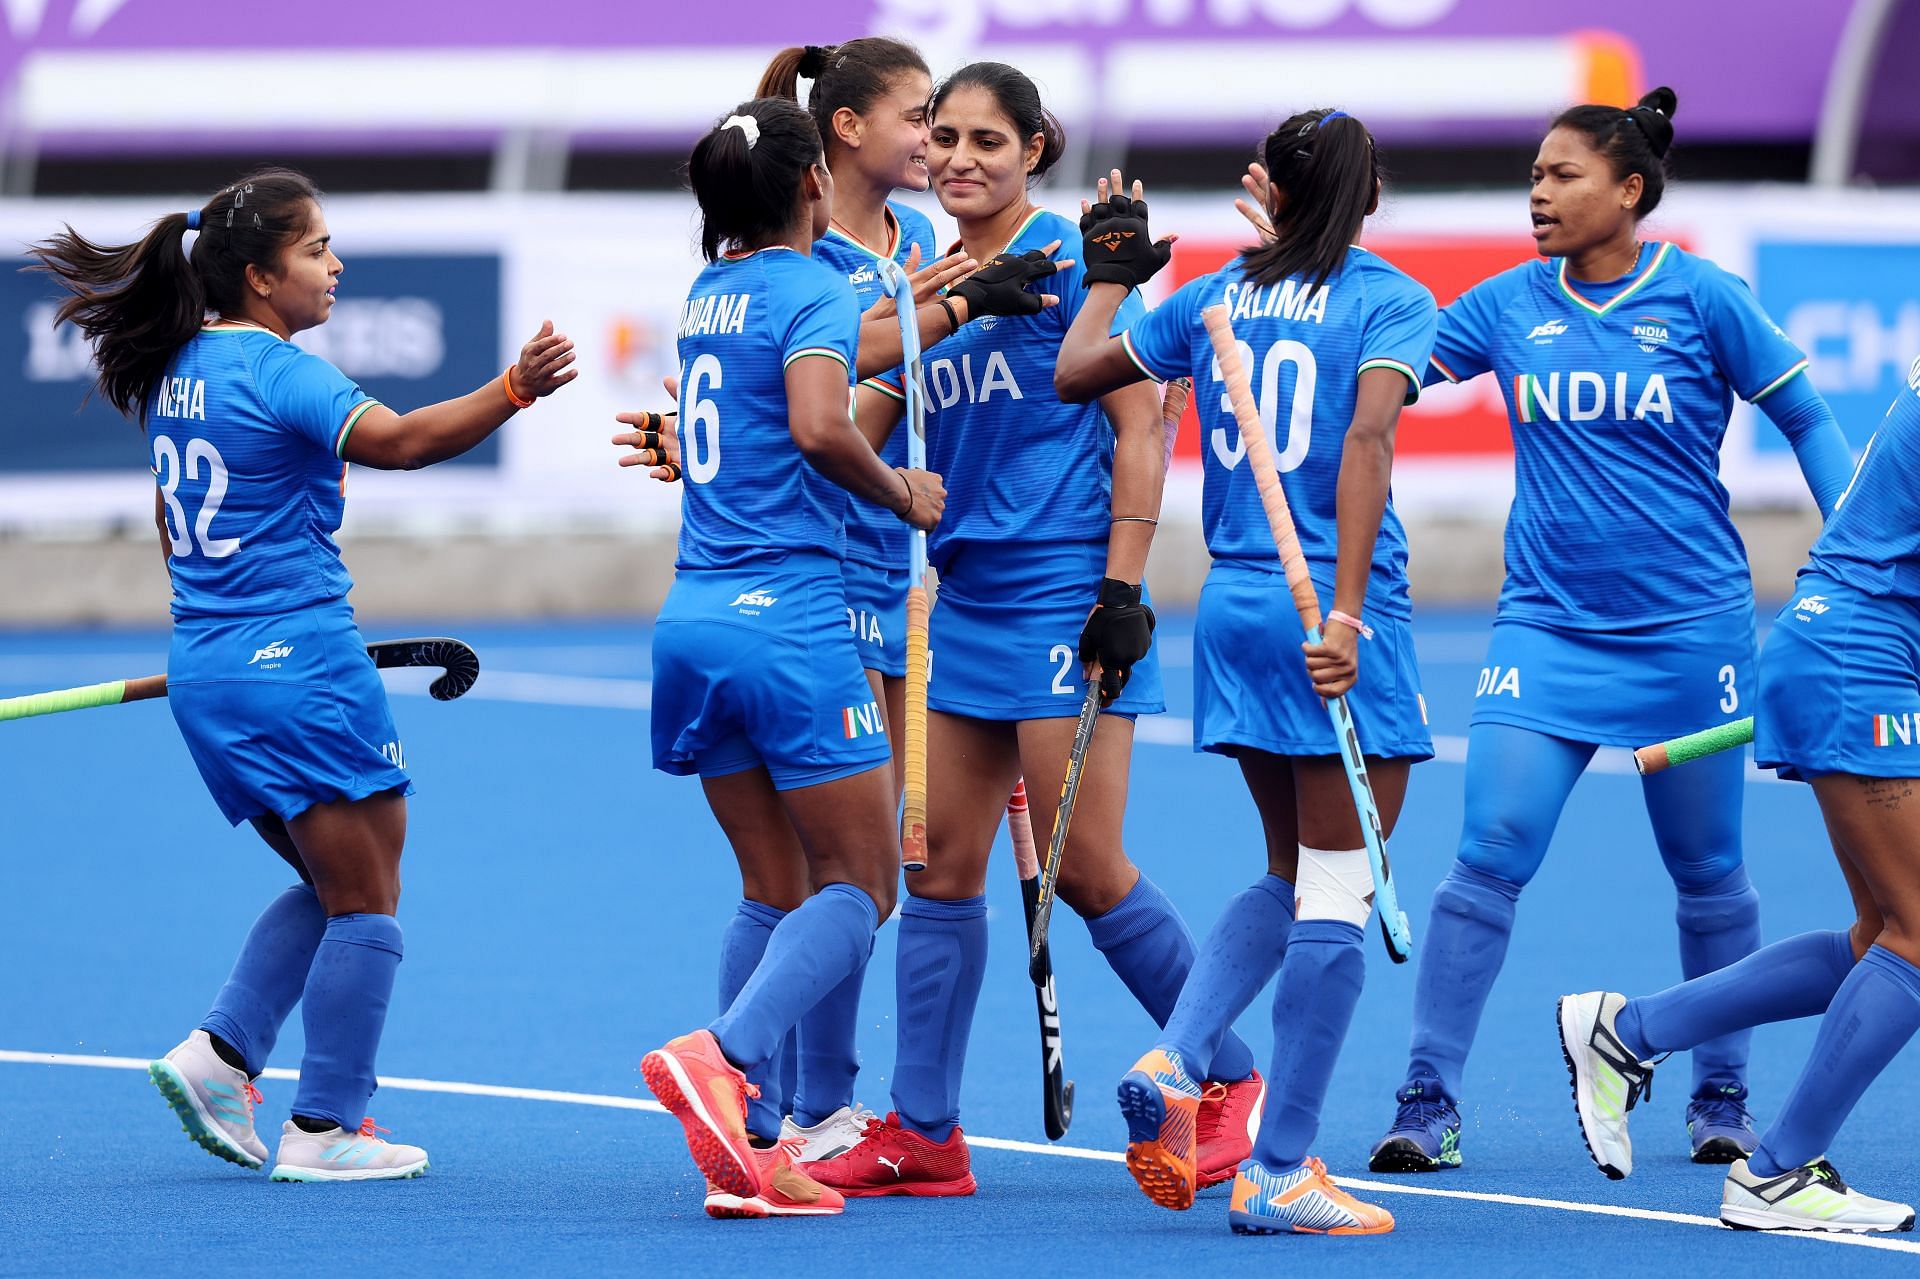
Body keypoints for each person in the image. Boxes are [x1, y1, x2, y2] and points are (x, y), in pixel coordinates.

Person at [1347, 87, 1860, 1173]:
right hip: (1547, 634)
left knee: (1710, 870)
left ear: (1628, 190)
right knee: (1486, 855)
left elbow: (1807, 418)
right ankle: (1426, 1099)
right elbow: (1385, 379)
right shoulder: (1503, 308)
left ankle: (1720, 1093)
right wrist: (1307, 265)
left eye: (1562, 174)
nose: (1538, 191)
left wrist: (1866, 556)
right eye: (1534, 174)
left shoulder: (1704, 299)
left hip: (1693, 636)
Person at [28, 168, 576, 1181]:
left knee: (336, 884)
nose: (335, 264)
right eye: (315, 248)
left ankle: (221, 1053)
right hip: (297, 666)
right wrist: (514, 389)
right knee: (368, 896)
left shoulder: (180, 366)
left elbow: (168, 526)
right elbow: (403, 443)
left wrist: (233, 635)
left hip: (211, 668)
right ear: (258, 275)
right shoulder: (280, 369)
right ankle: (325, 1127)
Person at [802, 61, 1263, 1201]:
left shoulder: (1073, 264)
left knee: (1090, 872)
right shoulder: (931, 279)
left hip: (1067, 597)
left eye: (987, 142)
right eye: (944, 137)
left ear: (1035, 149)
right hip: (963, 601)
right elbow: (858, 427)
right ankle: (925, 1132)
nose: (958, 158)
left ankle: (1229, 1081)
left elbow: (1143, 427)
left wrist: (1123, 586)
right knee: (942, 868)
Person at [1056, 109, 1437, 1235]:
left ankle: (1180, 1059)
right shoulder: (1386, 297)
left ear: (1266, 184)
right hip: (1325, 598)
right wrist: (1354, 613)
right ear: (1366, 201)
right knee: (1340, 887)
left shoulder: (1219, 293)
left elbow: (1080, 367)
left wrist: (1111, 277)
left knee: (1288, 869)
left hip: (1231, 596)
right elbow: (1367, 444)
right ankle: (1282, 1166)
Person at [635, 97, 945, 1220]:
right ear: (816, 181)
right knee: (863, 885)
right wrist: (900, 488)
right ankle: (725, 1057)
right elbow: (821, 422)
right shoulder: (815, 288)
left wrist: (941, 299)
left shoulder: (707, 294)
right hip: (791, 622)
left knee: (772, 886)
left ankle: (753, 1143)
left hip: (695, 619)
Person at [1558, 360, 1920, 1234]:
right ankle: (1778, 1171)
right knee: (1918, 935)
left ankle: (1631, 1028)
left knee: (1880, 934)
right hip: (1858, 663)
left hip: (1844, 651)